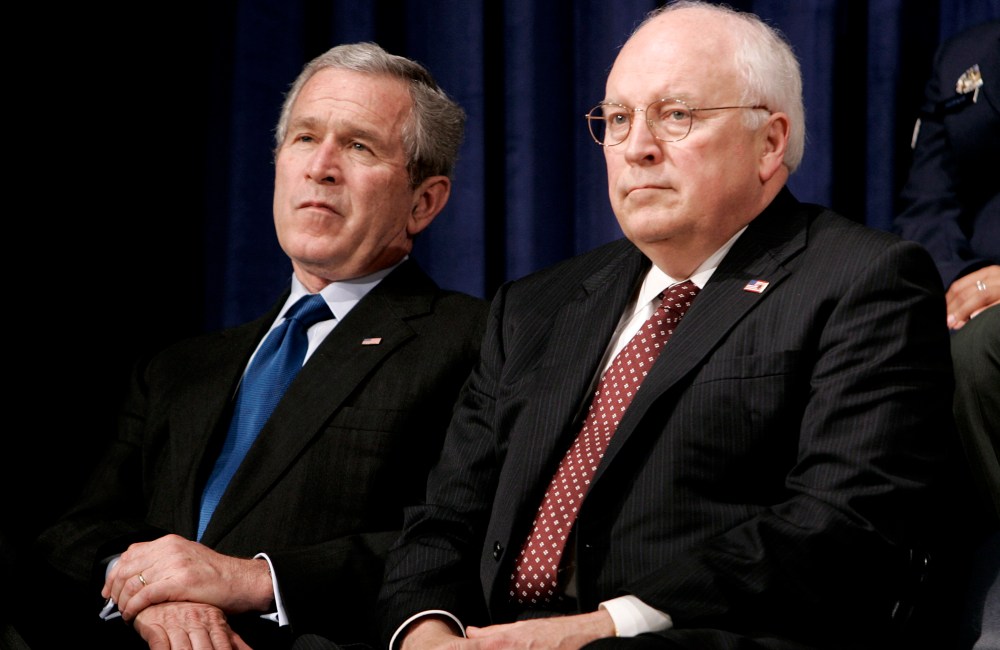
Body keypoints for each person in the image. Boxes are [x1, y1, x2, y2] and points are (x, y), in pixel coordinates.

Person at [370, 3, 967, 650]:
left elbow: (843, 523)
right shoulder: (534, 307)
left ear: (770, 142)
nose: (638, 148)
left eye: (676, 115)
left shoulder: (862, 281)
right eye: (619, 120)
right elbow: (443, 523)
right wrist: (426, 634)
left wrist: (608, 626)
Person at [24, 42, 488, 650]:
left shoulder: (475, 341)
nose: (320, 166)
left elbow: (474, 539)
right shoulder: (178, 368)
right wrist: (145, 592)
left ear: (424, 202)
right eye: (303, 138)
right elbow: (74, 532)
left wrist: (255, 580)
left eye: (358, 146)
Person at [892, 19, 1000, 650]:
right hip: (967, 289)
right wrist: (956, 284)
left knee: (976, 354)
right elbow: (928, 201)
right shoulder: (966, 56)